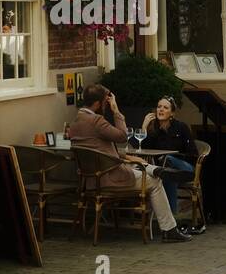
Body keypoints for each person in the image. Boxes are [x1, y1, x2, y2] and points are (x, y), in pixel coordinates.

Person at [68, 84, 191, 242]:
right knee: (155, 182)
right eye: (105, 103)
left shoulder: (75, 122)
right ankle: (169, 229)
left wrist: (128, 157)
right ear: (98, 104)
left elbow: (96, 151)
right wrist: (116, 111)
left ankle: (154, 168)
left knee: (136, 164)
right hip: (110, 178)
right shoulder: (96, 121)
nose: (107, 106)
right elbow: (123, 136)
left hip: (91, 180)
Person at [139, 96, 202, 234]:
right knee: (168, 173)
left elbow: (193, 154)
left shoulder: (181, 127)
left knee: (169, 163)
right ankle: (172, 221)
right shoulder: (153, 128)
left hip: (185, 168)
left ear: (172, 113)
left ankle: (171, 218)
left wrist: (174, 157)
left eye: (165, 107)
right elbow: (142, 148)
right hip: (168, 171)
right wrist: (144, 127)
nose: (161, 109)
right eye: (159, 106)